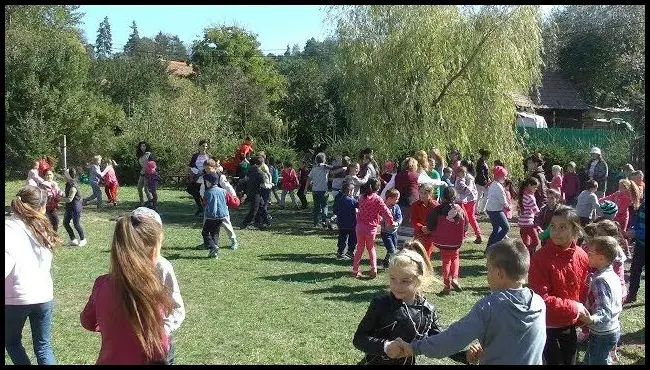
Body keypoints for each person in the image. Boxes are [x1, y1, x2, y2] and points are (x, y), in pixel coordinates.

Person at [386, 239, 546, 365]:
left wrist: (413, 348)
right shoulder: (539, 303)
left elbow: (450, 341)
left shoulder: (490, 306)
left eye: (488, 270)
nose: (487, 275)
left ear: (499, 273)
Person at [80, 213, 175, 364]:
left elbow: (87, 321)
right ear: (152, 252)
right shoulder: (151, 290)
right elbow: (160, 347)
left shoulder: (102, 283)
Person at [353, 242, 468, 365]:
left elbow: (439, 341)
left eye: (405, 281)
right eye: (393, 278)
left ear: (419, 279)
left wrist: (464, 355)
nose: (397, 285)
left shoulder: (427, 311)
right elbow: (359, 339)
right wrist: (386, 346)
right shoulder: (381, 304)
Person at [5, 185, 63, 365]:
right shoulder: (43, 228)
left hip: (16, 298)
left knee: (12, 342)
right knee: (43, 346)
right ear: (42, 207)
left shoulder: (9, 228)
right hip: (43, 295)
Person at [528, 205, 590, 365]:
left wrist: (582, 313)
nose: (556, 232)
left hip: (570, 324)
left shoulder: (582, 255)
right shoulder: (540, 258)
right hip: (547, 326)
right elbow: (540, 298)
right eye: (553, 226)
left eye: (563, 227)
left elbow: (581, 289)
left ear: (575, 230)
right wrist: (574, 307)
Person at [130, 207, 185, 364]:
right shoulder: (125, 265)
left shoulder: (161, 267)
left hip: (157, 344)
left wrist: (162, 333)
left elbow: (176, 307)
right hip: (129, 341)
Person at [581, 236, 623, 365]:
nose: (587, 254)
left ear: (601, 257)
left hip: (602, 333)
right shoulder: (612, 275)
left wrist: (591, 319)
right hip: (612, 329)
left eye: (590, 252)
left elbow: (605, 311)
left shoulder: (600, 280)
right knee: (592, 359)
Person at [426, 187, 467, 294]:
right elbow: (466, 224)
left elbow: (430, 225)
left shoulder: (437, 209)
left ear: (443, 197)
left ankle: (446, 285)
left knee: (446, 261)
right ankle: (454, 278)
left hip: (442, 242)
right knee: (455, 258)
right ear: (455, 196)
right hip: (455, 242)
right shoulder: (460, 209)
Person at [353, 178, 396, 279]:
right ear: (378, 188)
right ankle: (374, 269)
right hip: (371, 228)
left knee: (359, 248)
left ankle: (355, 270)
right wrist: (391, 222)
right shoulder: (377, 199)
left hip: (360, 226)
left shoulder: (361, 197)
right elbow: (386, 211)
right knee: (371, 248)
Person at [202, 173, 229, 259]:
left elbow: (204, 204)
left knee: (205, 232)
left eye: (206, 181)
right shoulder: (223, 191)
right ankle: (214, 253)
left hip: (211, 216)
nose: (206, 183)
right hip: (221, 216)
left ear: (209, 182)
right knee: (215, 233)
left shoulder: (208, 192)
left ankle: (213, 247)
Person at [410, 183, 439, 258]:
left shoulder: (436, 206)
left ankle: (425, 269)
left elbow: (439, 221)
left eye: (425, 193)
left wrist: (430, 229)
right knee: (416, 255)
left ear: (430, 193)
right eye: (421, 192)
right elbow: (413, 221)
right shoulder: (415, 205)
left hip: (430, 235)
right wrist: (421, 227)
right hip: (418, 234)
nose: (422, 195)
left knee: (426, 256)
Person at [241, 156, 270, 230]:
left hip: (250, 191)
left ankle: (265, 222)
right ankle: (245, 223)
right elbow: (263, 185)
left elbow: (246, 179)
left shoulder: (250, 169)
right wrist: (270, 185)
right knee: (254, 209)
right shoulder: (260, 173)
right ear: (262, 163)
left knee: (262, 206)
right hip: (256, 193)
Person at [454, 165, 482, 244]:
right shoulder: (461, 181)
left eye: (464, 172)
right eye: (462, 172)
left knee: (465, 218)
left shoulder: (464, 179)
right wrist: (470, 183)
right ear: (458, 173)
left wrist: (470, 183)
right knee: (469, 218)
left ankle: (465, 235)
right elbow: (467, 190)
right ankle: (476, 234)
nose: (464, 174)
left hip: (466, 201)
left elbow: (468, 190)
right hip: (467, 200)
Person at [485, 166, 510, 251]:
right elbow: (502, 200)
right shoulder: (498, 186)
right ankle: (493, 247)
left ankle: (489, 248)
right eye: (504, 176)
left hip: (491, 209)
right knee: (506, 228)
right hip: (496, 210)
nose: (505, 178)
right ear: (499, 176)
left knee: (496, 229)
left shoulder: (493, 184)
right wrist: (508, 206)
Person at [625, 198, 645, 304]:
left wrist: (636, 233)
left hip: (640, 239)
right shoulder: (643, 204)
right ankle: (632, 295)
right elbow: (636, 219)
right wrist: (632, 228)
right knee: (635, 270)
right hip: (640, 245)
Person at [333, 181, 358, 260]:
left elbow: (335, 210)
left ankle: (340, 252)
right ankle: (350, 252)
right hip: (351, 224)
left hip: (341, 223)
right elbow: (359, 206)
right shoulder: (352, 201)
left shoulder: (339, 199)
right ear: (350, 191)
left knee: (342, 238)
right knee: (352, 238)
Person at [63, 168, 87, 247]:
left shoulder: (73, 186)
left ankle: (83, 239)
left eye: (65, 175)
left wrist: (58, 199)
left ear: (68, 176)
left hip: (75, 207)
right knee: (65, 223)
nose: (64, 176)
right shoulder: (68, 183)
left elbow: (69, 199)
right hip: (69, 207)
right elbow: (66, 195)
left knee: (76, 224)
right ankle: (73, 239)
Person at [518, 177, 541, 256]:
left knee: (526, 243)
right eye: (535, 187)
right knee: (536, 241)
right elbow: (536, 211)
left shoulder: (523, 194)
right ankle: (530, 254)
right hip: (528, 224)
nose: (536, 189)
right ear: (529, 185)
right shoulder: (530, 197)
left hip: (522, 224)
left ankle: (526, 255)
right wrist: (543, 212)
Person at [380, 188, 402, 268]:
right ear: (389, 198)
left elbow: (400, 217)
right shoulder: (382, 207)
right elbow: (379, 217)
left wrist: (397, 223)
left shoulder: (396, 207)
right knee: (392, 250)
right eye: (396, 199)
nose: (397, 201)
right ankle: (395, 266)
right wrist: (383, 221)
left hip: (394, 232)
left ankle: (386, 262)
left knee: (393, 248)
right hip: (385, 233)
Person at [307, 152, 330, 228]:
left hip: (315, 190)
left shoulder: (314, 169)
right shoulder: (325, 168)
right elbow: (333, 168)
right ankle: (324, 221)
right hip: (323, 190)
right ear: (324, 160)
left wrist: (305, 188)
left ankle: (315, 222)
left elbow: (309, 178)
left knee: (316, 207)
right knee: (324, 206)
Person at [136, 141, 154, 206]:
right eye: (141, 146)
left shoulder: (149, 154)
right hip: (142, 173)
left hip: (148, 173)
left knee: (146, 189)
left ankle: (152, 203)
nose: (142, 147)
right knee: (139, 188)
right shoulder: (139, 155)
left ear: (146, 146)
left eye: (144, 146)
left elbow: (153, 165)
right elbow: (141, 165)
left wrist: (150, 173)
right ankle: (142, 202)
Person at [475, 149, 490, 215]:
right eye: (488, 156)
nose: (488, 157)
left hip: (480, 181)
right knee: (485, 195)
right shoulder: (481, 163)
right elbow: (481, 174)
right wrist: (485, 182)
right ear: (484, 155)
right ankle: (481, 210)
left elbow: (484, 174)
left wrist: (488, 179)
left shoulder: (482, 162)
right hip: (481, 182)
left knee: (479, 196)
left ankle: (477, 210)